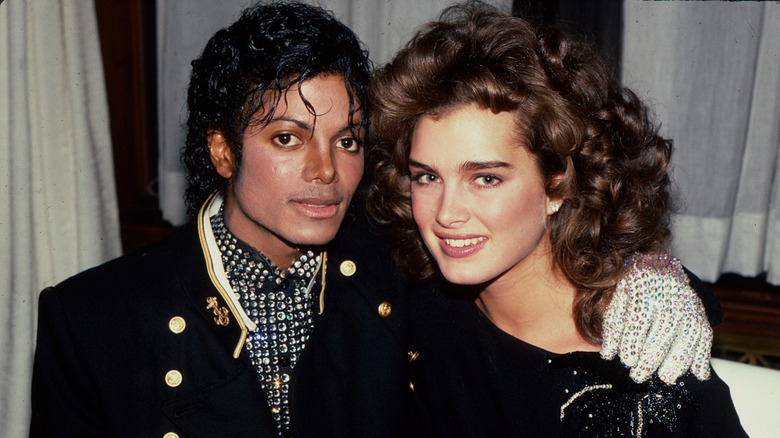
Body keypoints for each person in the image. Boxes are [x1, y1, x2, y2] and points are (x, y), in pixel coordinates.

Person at [30, 1, 717, 437]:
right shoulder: (95, 322)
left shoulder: (400, 271)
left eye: (349, 141)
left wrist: (652, 267)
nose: (327, 173)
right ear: (221, 148)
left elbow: (557, 273)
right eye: (288, 138)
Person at [367, 3, 747, 437]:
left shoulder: (645, 369)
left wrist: (654, 265)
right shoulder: (412, 298)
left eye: (486, 178)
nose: (446, 213)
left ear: (557, 186)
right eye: (427, 176)